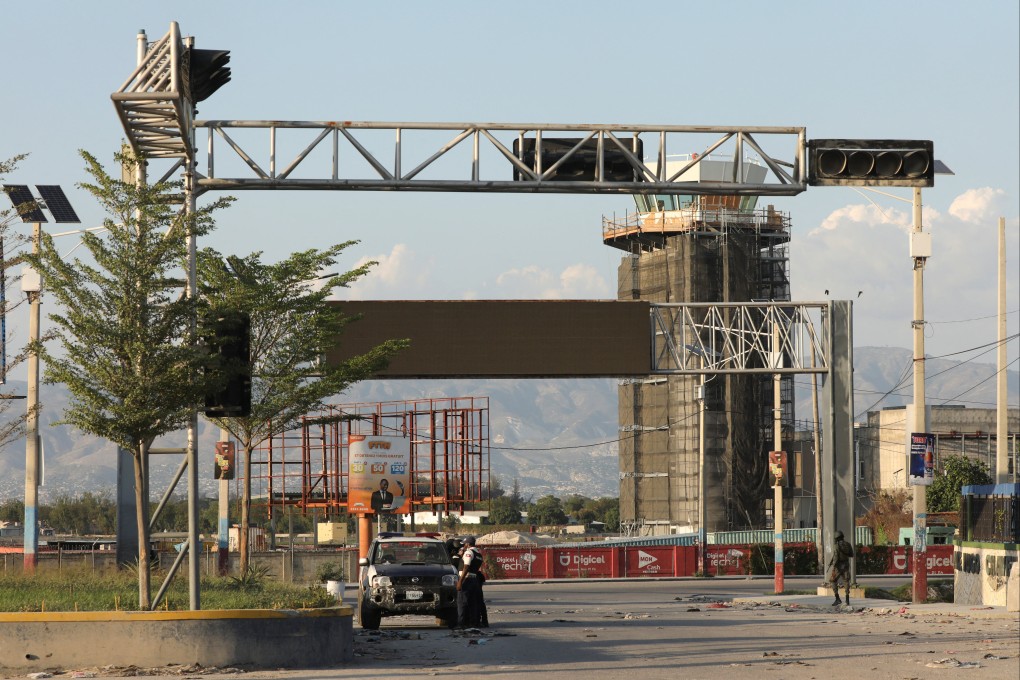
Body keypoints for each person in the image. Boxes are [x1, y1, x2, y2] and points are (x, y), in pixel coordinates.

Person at [456, 536, 484, 628]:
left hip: (466, 580)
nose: (463, 546)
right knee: (473, 603)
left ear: (468, 544)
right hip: (474, 580)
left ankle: (461, 624)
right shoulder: (478, 554)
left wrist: (460, 581)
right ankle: (474, 623)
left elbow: (466, 567)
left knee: (462, 602)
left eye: (464, 544)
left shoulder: (468, 552)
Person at [828, 529, 855, 606]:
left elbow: (836, 557)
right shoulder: (848, 544)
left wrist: (833, 565)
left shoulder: (836, 546)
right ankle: (847, 600)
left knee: (832, 580)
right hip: (846, 564)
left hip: (838, 565)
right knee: (846, 581)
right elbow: (851, 555)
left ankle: (837, 598)